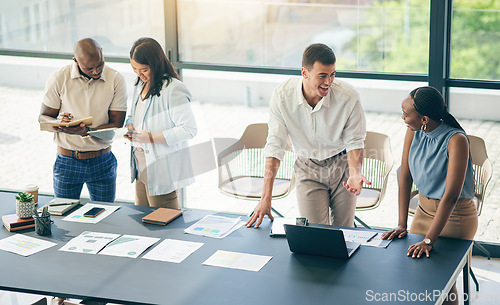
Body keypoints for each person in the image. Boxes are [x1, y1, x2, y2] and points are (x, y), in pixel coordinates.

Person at [246, 43, 370, 228]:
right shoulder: (282, 96)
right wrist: (266, 198)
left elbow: (355, 141)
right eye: (322, 76)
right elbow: (275, 145)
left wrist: (355, 173)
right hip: (307, 167)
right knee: (313, 232)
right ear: (304, 72)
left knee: (344, 231)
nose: (328, 82)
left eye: (333, 74)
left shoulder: (349, 97)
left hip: (341, 165)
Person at [381, 86, 478, 305]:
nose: (402, 117)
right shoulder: (413, 131)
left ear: (424, 118)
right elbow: (405, 178)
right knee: (414, 274)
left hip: (455, 217)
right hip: (423, 212)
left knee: (442, 280)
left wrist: (428, 240)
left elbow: (451, 197)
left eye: (406, 114)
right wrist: (401, 224)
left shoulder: (456, 140)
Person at [39, 38, 127, 203]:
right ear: (75, 61)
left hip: (102, 160)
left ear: (102, 53)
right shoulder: (59, 77)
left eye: (100, 64)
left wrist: (87, 132)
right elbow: (43, 117)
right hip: (67, 161)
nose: (96, 71)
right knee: (64, 217)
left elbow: (117, 122)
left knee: (105, 217)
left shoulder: (116, 79)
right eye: (89, 68)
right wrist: (58, 122)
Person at [124, 37, 197, 209]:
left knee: (164, 224)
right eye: (134, 69)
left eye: (144, 70)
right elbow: (133, 114)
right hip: (140, 164)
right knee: (143, 223)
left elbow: (189, 129)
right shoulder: (140, 84)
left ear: (156, 64)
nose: (139, 74)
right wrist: (130, 126)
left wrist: (150, 137)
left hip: (161, 167)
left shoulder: (173, 89)